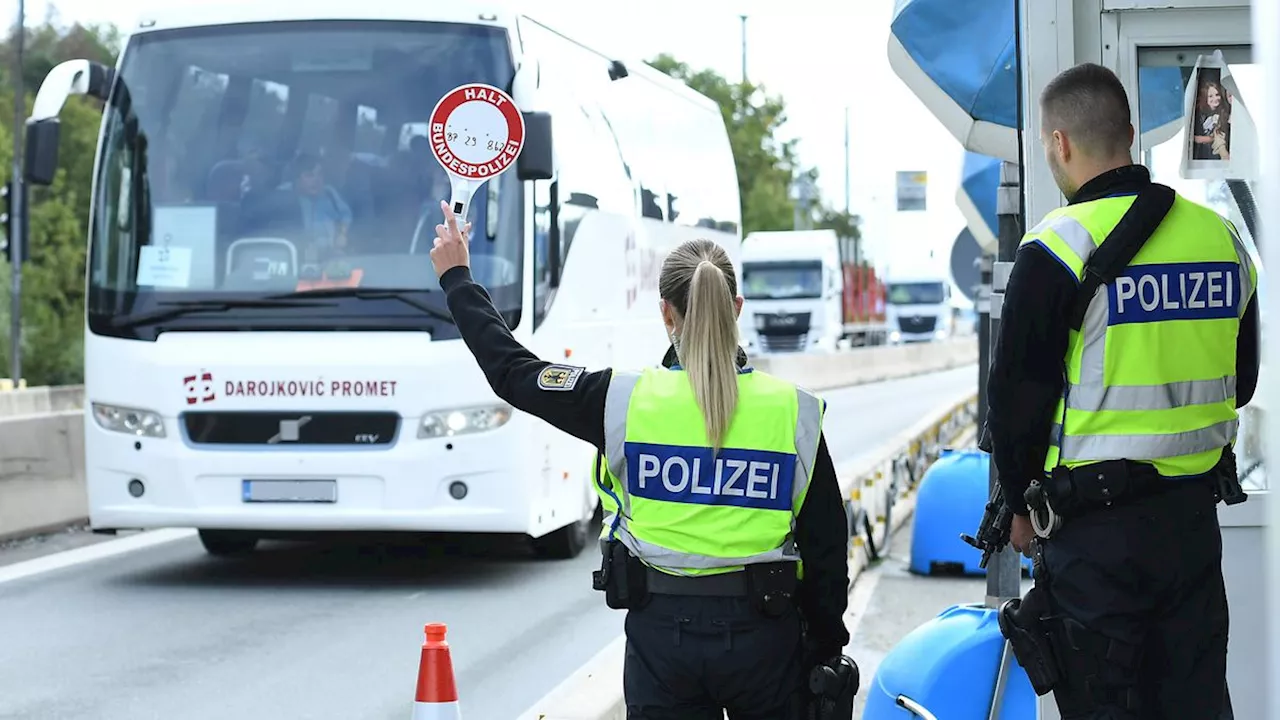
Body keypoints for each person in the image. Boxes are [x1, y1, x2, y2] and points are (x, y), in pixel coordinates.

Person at [428, 202, 854, 719]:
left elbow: (513, 372)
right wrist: (823, 647)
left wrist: (457, 277)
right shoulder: (794, 412)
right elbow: (828, 549)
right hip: (766, 638)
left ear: (665, 312)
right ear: (736, 308)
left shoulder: (620, 402)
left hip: (662, 643)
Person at [986, 62, 1259, 719]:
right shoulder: (1220, 239)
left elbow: (1016, 400)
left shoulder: (1055, 247)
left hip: (1096, 542)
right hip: (1192, 529)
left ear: (1059, 144)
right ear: (1131, 135)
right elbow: (1242, 380)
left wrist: (1018, 505)